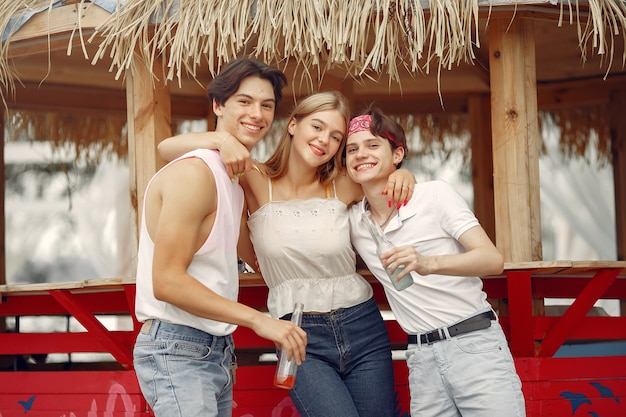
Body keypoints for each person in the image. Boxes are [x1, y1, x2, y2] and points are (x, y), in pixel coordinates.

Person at [158, 91, 416, 417]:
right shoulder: (252, 178)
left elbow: (382, 178)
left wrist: (403, 173)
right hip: (297, 333)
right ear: (293, 124)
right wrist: (222, 140)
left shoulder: (344, 183)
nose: (325, 140)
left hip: (362, 325)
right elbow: (165, 149)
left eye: (336, 137)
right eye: (317, 127)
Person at [133, 58, 308, 417]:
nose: (257, 114)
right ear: (218, 105)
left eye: (267, 105)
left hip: (215, 348)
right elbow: (166, 281)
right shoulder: (194, 175)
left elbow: (257, 255)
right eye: (244, 101)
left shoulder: (233, 178)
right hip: (178, 346)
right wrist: (259, 320)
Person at [345, 107, 526, 417]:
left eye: (373, 145)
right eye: (352, 149)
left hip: (474, 343)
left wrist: (427, 263)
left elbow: (492, 260)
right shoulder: (353, 220)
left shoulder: (434, 195)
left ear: (397, 153)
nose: (361, 154)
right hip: (420, 355)